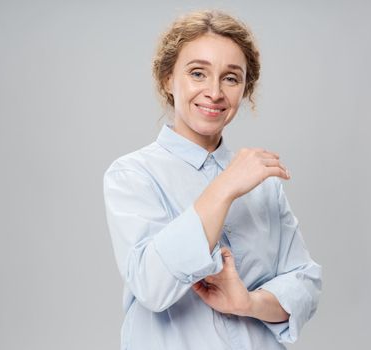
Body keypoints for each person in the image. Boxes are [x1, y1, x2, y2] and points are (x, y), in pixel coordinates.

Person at [103, 9, 322, 350]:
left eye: (231, 78)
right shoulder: (133, 175)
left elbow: (304, 282)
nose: (215, 92)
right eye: (197, 73)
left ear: (245, 89)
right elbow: (151, 285)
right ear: (167, 79)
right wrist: (224, 186)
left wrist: (247, 303)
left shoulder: (263, 182)